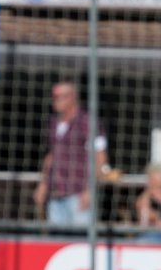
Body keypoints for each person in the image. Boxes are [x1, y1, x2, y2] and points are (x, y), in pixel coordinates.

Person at [33, 81, 111, 229]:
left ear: (71, 98)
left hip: (79, 194)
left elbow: (100, 157)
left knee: (80, 241)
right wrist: (43, 184)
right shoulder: (54, 123)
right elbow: (52, 155)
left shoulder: (88, 122)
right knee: (56, 241)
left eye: (58, 97)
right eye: (53, 97)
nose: (54, 101)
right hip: (56, 193)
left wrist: (90, 190)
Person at [134, 163, 161, 229]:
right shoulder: (147, 195)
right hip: (151, 232)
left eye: (152, 179)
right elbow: (143, 216)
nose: (149, 182)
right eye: (149, 179)